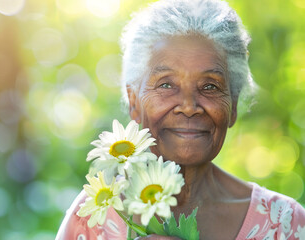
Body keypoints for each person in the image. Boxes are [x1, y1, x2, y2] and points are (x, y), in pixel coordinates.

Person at [56, 0, 305, 239]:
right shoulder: (93, 219)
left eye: (210, 86)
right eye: (166, 84)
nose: (188, 106)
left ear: (234, 106)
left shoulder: (285, 224)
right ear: (134, 103)